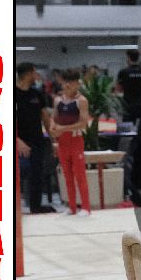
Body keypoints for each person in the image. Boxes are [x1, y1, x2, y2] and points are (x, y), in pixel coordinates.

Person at [15, 62, 56, 214]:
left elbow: (45, 118)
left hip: (37, 140)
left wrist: (53, 140)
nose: (36, 76)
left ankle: (35, 206)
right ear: (29, 73)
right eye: (34, 73)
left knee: (37, 174)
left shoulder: (37, 94)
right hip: (19, 141)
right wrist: (17, 141)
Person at [50, 69, 91, 216]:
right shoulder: (57, 100)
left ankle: (85, 207)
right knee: (67, 176)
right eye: (65, 82)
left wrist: (63, 129)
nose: (67, 85)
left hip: (75, 141)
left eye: (71, 82)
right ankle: (72, 207)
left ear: (77, 84)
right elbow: (54, 118)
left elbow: (83, 123)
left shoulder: (81, 101)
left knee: (80, 175)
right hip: (62, 142)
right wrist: (52, 127)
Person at [117, 48, 141, 124]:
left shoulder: (123, 72)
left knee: (127, 127)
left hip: (128, 104)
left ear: (128, 58)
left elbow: (119, 89)